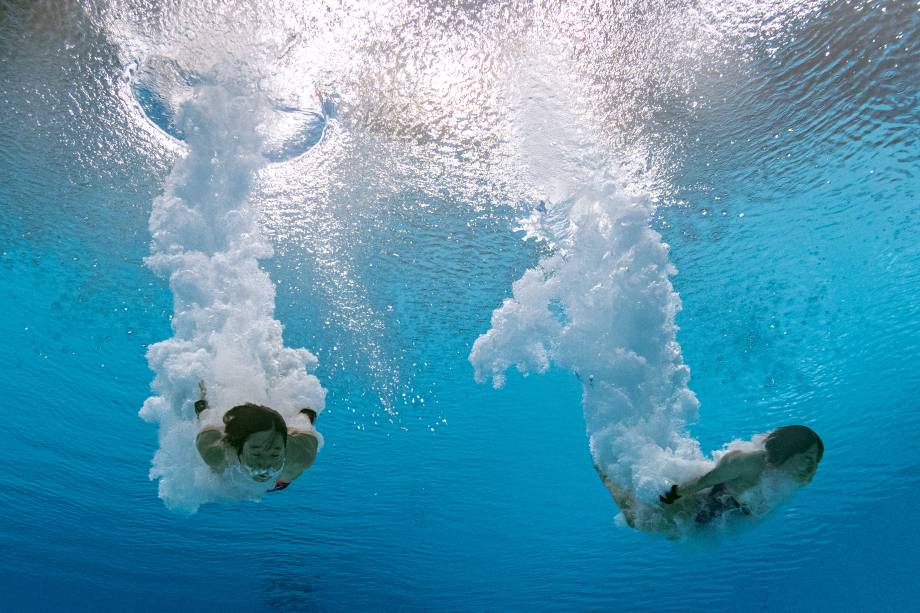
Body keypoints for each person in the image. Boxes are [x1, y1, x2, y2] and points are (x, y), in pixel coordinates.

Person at [595, 425, 823, 532]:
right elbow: (705, 480)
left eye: (816, 461)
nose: (812, 466)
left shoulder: (793, 477)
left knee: (674, 536)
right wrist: (673, 495)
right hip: (704, 500)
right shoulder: (748, 462)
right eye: (807, 458)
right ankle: (606, 474)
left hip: (721, 516)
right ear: (789, 449)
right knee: (640, 521)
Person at [194, 381, 320, 492]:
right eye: (256, 454)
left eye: (275, 454)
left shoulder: (302, 454)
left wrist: (307, 413)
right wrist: (202, 405)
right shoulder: (214, 452)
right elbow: (206, 418)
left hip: (279, 481)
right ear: (238, 449)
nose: (265, 466)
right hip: (232, 467)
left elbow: (304, 424)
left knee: (305, 417)